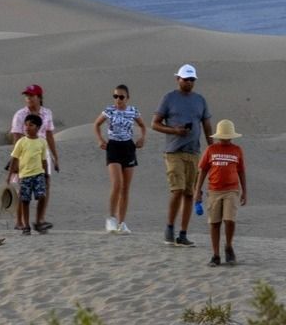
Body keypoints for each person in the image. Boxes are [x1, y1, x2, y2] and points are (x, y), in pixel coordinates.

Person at [151, 64, 213, 247]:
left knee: (189, 193)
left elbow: (207, 125)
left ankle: (183, 233)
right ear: (178, 79)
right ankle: (169, 228)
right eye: (186, 79)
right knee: (177, 189)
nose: (189, 82)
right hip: (174, 151)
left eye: (192, 79)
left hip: (193, 152)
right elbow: (154, 124)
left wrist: (213, 149)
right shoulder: (169, 98)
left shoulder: (200, 100)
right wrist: (174, 130)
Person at [93, 84, 146, 234]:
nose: (118, 99)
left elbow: (142, 125)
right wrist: (100, 139)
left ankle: (122, 222)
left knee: (125, 188)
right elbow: (96, 124)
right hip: (113, 146)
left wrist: (142, 138)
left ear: (127, 98)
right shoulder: (109, 110)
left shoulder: (133, 111)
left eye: (121, 97)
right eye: (115, 96)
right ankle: (111, 219)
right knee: (117, 184)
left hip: (128, 147)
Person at [194, 119, 247, 267]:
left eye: (227, 136)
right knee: (214, 223)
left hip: (232, 190)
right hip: (214, 190)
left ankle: (228, 246)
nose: (225, 138)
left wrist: (244, 191)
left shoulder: (237, 150)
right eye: (223, 136)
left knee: (229, 220)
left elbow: (241, 171)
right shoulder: (211, 150)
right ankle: (216, 255)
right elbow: (203, 170)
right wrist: (197, 190)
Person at [10, 84, 59, 229]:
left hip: (42, 152)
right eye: (27, 96)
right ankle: (19, 222)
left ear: (39, 97)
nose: (28, 99)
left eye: (31, 96)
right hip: (25, 153)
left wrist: (55, 156)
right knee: (23, 188)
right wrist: (16, 161)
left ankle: (40, 220)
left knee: (45, 185)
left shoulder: (47, 113)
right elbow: (16, 137)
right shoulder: (20, 115)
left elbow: (50, 135)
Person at [5, 113, 50, 235]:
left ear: (37, 127)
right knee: (25, 200)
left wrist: (46, 175)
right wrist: (9, 176)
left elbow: (44, 160)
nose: (27, 127)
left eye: (31, 125)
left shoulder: (42, 142)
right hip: (24, 176)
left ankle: (38, 222)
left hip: (38, 174)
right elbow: (14, 159)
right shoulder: (21, 142)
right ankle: (26, 226)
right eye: (26, 125)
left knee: (42, 196)